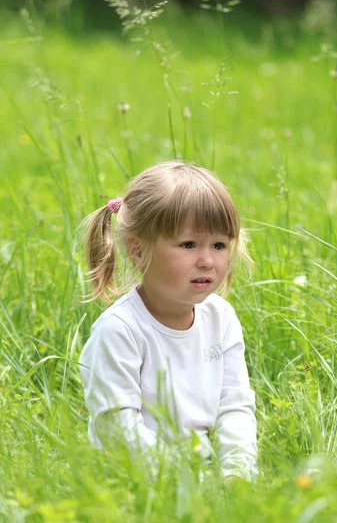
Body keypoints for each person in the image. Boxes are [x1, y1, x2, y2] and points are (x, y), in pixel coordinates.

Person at [78, 161, 258, 483]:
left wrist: (237, 477)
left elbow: (235, 408)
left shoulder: (221, 319)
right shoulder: (120, 331)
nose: (206, 260)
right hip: (129, 485)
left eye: (218, 245)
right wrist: (190, 481)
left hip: (199, 481)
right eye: (188, 245)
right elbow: (118, 429)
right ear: (138, 251)